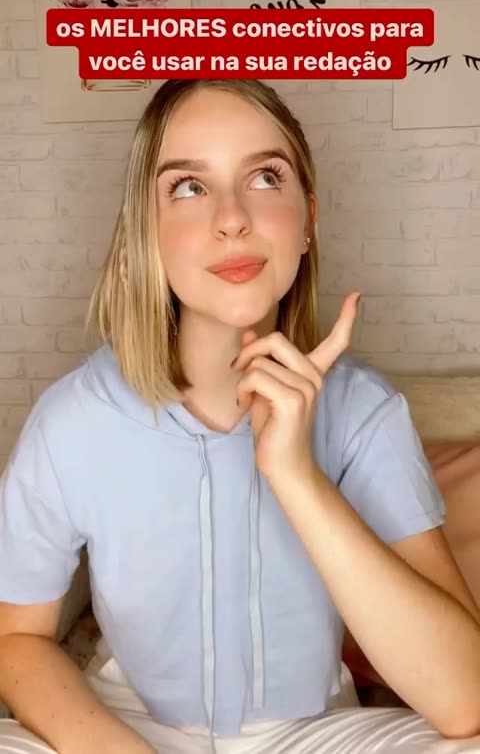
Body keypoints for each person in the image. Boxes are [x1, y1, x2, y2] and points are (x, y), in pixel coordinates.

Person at [0, 78, 479, 754]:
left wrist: (295, 475)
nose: (232, 218)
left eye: (264, 177)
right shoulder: (72, 420)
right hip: (124, 727)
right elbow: (17, 639)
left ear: (307, 221)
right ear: (146, 232)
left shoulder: (363, 411)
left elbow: (466, 699)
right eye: (189, 187)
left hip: (316, 733)